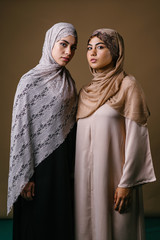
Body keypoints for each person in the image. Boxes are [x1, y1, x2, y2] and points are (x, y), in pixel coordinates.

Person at [74, 28, 156, 240]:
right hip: (85, 181)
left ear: (115, 52)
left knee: (120, 229)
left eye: (100, 47)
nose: (92, 53)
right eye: (89, 48)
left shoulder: (128, 86)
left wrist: (126, 183)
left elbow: (137, 138)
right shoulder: (85, 92)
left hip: (115, 180)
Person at [8, 22, 78, 240]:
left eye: (73, 47)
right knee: (36, 225)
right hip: (37, 167)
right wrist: (25, 176)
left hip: (62, 165)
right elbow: (20, 130)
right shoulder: (29, 81)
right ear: (50, 43)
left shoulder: (68, 81)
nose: (68, 52)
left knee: (59, 224)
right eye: (63, 44)